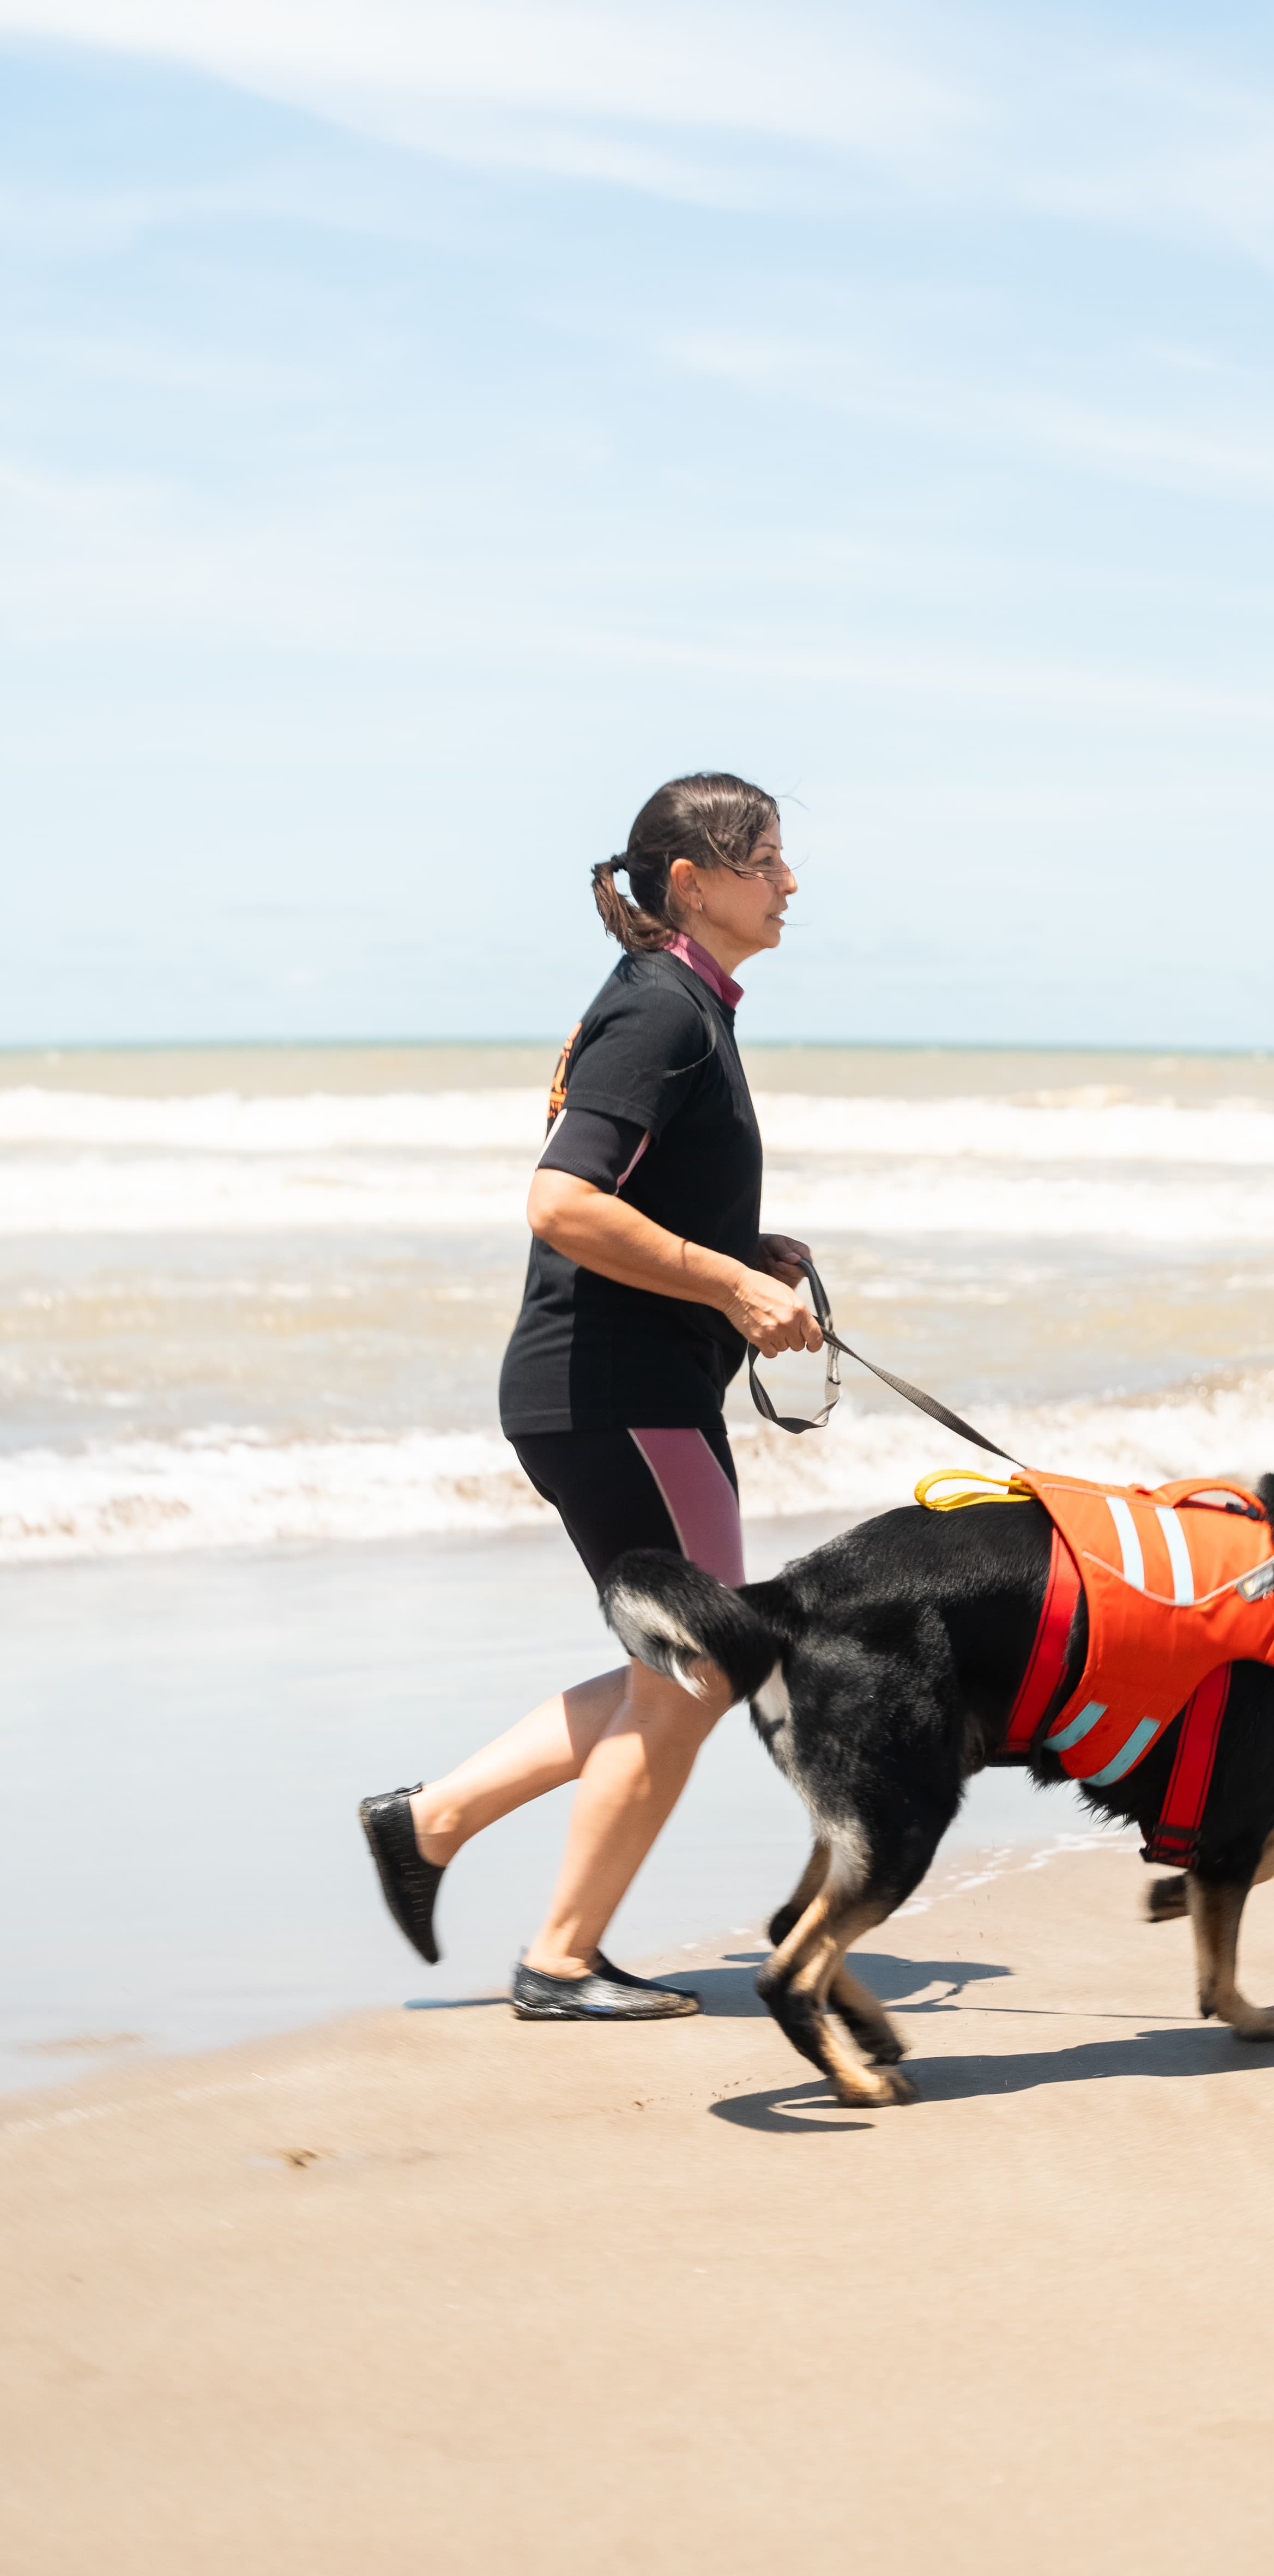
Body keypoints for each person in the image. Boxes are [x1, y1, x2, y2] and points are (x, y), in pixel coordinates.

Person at [358, 771, 823, 2017]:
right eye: (766, 860)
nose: (791, 883)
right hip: (621, 1395)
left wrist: (745, 1245)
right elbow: (561, 1201)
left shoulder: (685, 1005)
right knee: (698, 1670)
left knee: (679, 1666)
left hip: (620, 1390)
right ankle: (560, 1958)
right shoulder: (663, 1013)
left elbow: (633, 1196)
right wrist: (730, 1283)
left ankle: (433, 1823)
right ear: (691, 882)